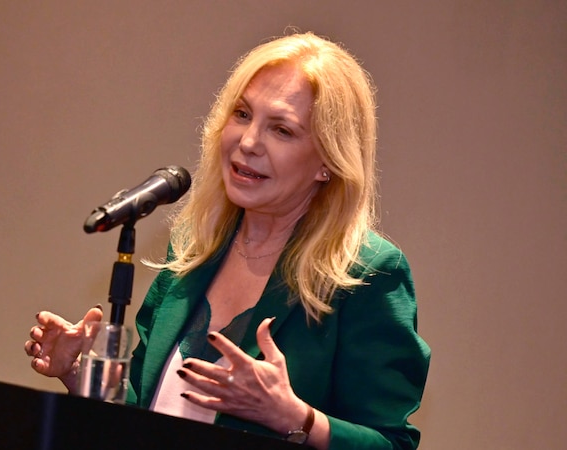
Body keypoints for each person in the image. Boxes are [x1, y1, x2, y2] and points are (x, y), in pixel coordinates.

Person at [25, 31, 430, 450]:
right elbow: (146, 411)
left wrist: (296, 418)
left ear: (328, 161)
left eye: (282, 130)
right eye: (241, 114)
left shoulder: (368, 273)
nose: (249, 142)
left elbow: (392, 444)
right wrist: (76, 372)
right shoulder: (193, 246)